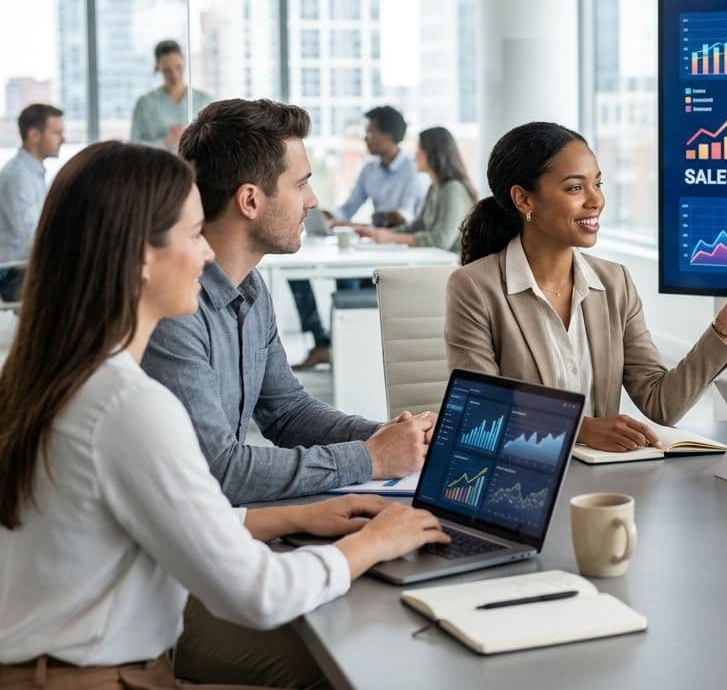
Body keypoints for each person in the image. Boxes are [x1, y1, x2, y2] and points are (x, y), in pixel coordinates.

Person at [0, 141, 448, 688]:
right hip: (101, 677)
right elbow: (260, 594)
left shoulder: (57, 375)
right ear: (142, 258)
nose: (207, 254)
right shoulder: (128, 405)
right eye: (193, 236)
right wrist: (373, 544)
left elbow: (158, 505)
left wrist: (296, 516)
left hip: (52, 667)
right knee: (350, 666)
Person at [140, 98, 433, 505]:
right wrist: (369, 458)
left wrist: (387, 437)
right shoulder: (175, 310)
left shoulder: (251, 289)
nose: (312, 201)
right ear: (250, 201)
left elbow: (287, 411)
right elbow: (219, 470)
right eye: (301, 183)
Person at [446, 121, 727, 453]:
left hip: (601, 484)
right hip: (519, 475)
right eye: (575, 188)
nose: (596, 201)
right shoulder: (475, 287)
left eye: (598, 184)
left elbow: (660, 404)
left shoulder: (614, 282)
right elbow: (481, 412)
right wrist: (581, 429)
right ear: (524, 199)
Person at [290, 104, 424, 370]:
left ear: (387, 135)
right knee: (299, 276)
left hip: (400, 252)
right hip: (372, 245)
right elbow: (349, 206)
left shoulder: (413, 171)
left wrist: (356, 224)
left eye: (370, 132)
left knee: (349, 282)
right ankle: (323, 344)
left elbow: (404, 217)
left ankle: (349, 354)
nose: (365, 137)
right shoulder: (369, 170)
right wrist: (329, 215)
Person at [357, 125, 477, 253]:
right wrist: (380, 233)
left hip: (451, 267)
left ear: (432, 153)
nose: (415, 154)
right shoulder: (434, 187)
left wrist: (393, 237)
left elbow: (441, 240)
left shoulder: (453, 189)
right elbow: (419, 225)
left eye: (419, 148)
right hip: (436, 262)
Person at [0, 103, 64, 302]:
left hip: (27, 268)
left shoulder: (31, 174)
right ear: (34, 135)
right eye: (57, 133)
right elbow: (33, 238)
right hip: (14, 274)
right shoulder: (17, 177)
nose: (63, 139)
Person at [130, 39, 213, 150]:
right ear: (157, 67)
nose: (174, 75)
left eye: (178, 67)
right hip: (158, 165)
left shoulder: (204, 100)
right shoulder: (145, 104)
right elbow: (133, 147)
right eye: (167, 70)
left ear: (184, 63)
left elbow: (214, 142)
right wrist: (165, 142)